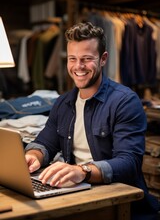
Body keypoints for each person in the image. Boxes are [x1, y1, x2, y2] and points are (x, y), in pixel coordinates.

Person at [25, 22, 159, 219]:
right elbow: (45, 142)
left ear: (103, 59)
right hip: (77, 198)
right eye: (72, 59)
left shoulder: (125, 101)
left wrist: (82, 171)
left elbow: (129, 163)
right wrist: (34, 157)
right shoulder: (63, 103)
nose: (78, 67)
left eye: (86, 59)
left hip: (121, 204)